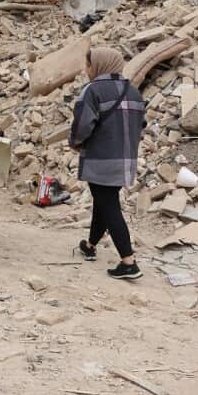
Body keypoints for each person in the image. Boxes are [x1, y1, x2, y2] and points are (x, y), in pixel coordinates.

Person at [69, 47, 147, 280]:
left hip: (101, 158)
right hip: (125, 159)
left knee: (109, 205)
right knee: (104, 201)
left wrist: (76, 143)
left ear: (99, 65)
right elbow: (141, 125)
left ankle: (128, 262)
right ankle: (90, 246)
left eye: (89, 64)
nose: (87, 69)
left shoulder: (92, 91)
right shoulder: (133, 91)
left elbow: (82, 126)